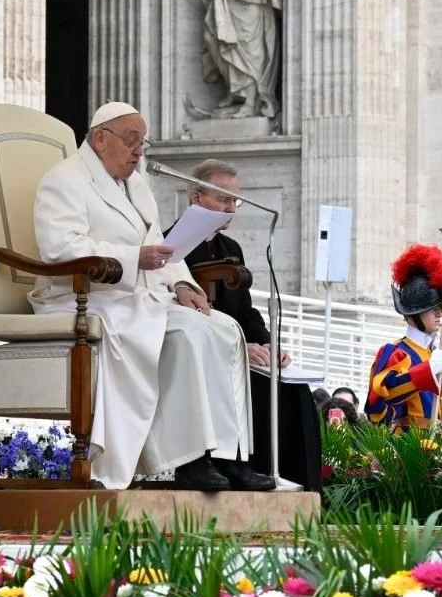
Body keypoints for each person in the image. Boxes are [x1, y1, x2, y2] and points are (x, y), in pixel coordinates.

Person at [29, 102, 269, 492]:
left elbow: (160, 244)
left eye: (143, 142)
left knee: (223, 328)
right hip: (85, 296)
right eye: (132, 141)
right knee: (189, 334)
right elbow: (60, 248)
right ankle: (190, 460)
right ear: (100, 138)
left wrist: (182, 284)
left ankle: (229, 456)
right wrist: (130, 258)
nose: (139, 151)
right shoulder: (64, 180)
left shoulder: (136, 185)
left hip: (137, 295)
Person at [175, 159, 322, 491]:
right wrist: (243, 346)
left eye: (235, 200)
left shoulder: (232, 248)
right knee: (254, 385)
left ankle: (295, 483)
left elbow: (247, 311)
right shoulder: (173, 243)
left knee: (293, 391)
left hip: (241, 346)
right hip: (205, 349)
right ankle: (236, 465)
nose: (232, 208)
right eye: (224, 199)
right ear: (197, 199)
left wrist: (268, 343)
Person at [365, 244, 442, 432]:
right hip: (409, 451)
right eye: (431, 308)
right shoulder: (395, 352)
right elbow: (377, 402)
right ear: (412, 314)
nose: (440, 313)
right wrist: (427, 371)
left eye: (441, 307)